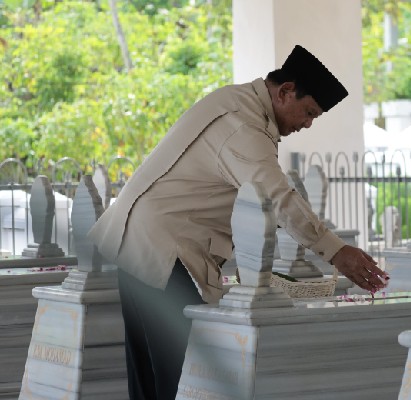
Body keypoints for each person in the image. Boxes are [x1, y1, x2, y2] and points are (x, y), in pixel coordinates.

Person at [88, 45, 388, 400]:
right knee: (183, 374)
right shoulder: (243, 125)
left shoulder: (236, 101)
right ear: (285, 91)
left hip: (139, 243)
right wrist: (336, 251)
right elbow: (277, 198)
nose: (307, 124)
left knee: (150, 379)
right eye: (309, 112)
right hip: (164, 253)